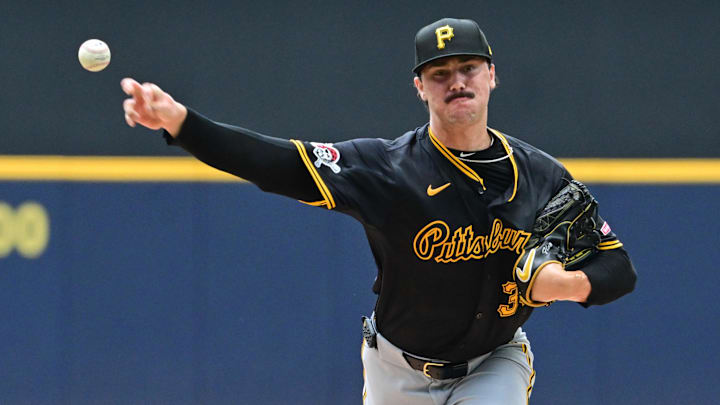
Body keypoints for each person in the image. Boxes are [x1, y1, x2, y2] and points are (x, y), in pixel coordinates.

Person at [121, 17, 636, 405]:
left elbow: (617, 266)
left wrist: (566, 285)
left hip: (494, 360)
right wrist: (182, 123)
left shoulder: (542, 176)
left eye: (467, 68)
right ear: (419, 86)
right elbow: (275, 163)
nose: (456, 81)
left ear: (491, 76)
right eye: (439, 73)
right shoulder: (387, 169)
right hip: (397, 371)